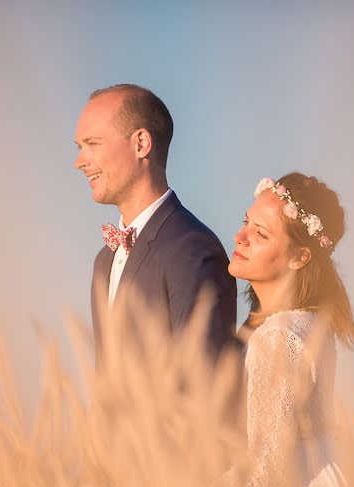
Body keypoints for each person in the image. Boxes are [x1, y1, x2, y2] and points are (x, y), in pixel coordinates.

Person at [227, 173, 354, 487]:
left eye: (262, 233)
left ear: (301, 256)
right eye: (245, 223)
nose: (241, 238)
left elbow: (269, 466)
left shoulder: (278, 336)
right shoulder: (310, 321)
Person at [73, 84, 236, 358]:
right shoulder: (104, 260)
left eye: (92, 144)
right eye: (79, 147)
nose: (79, 161)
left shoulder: (192, 250)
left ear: (141, 144)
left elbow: (203, 381)